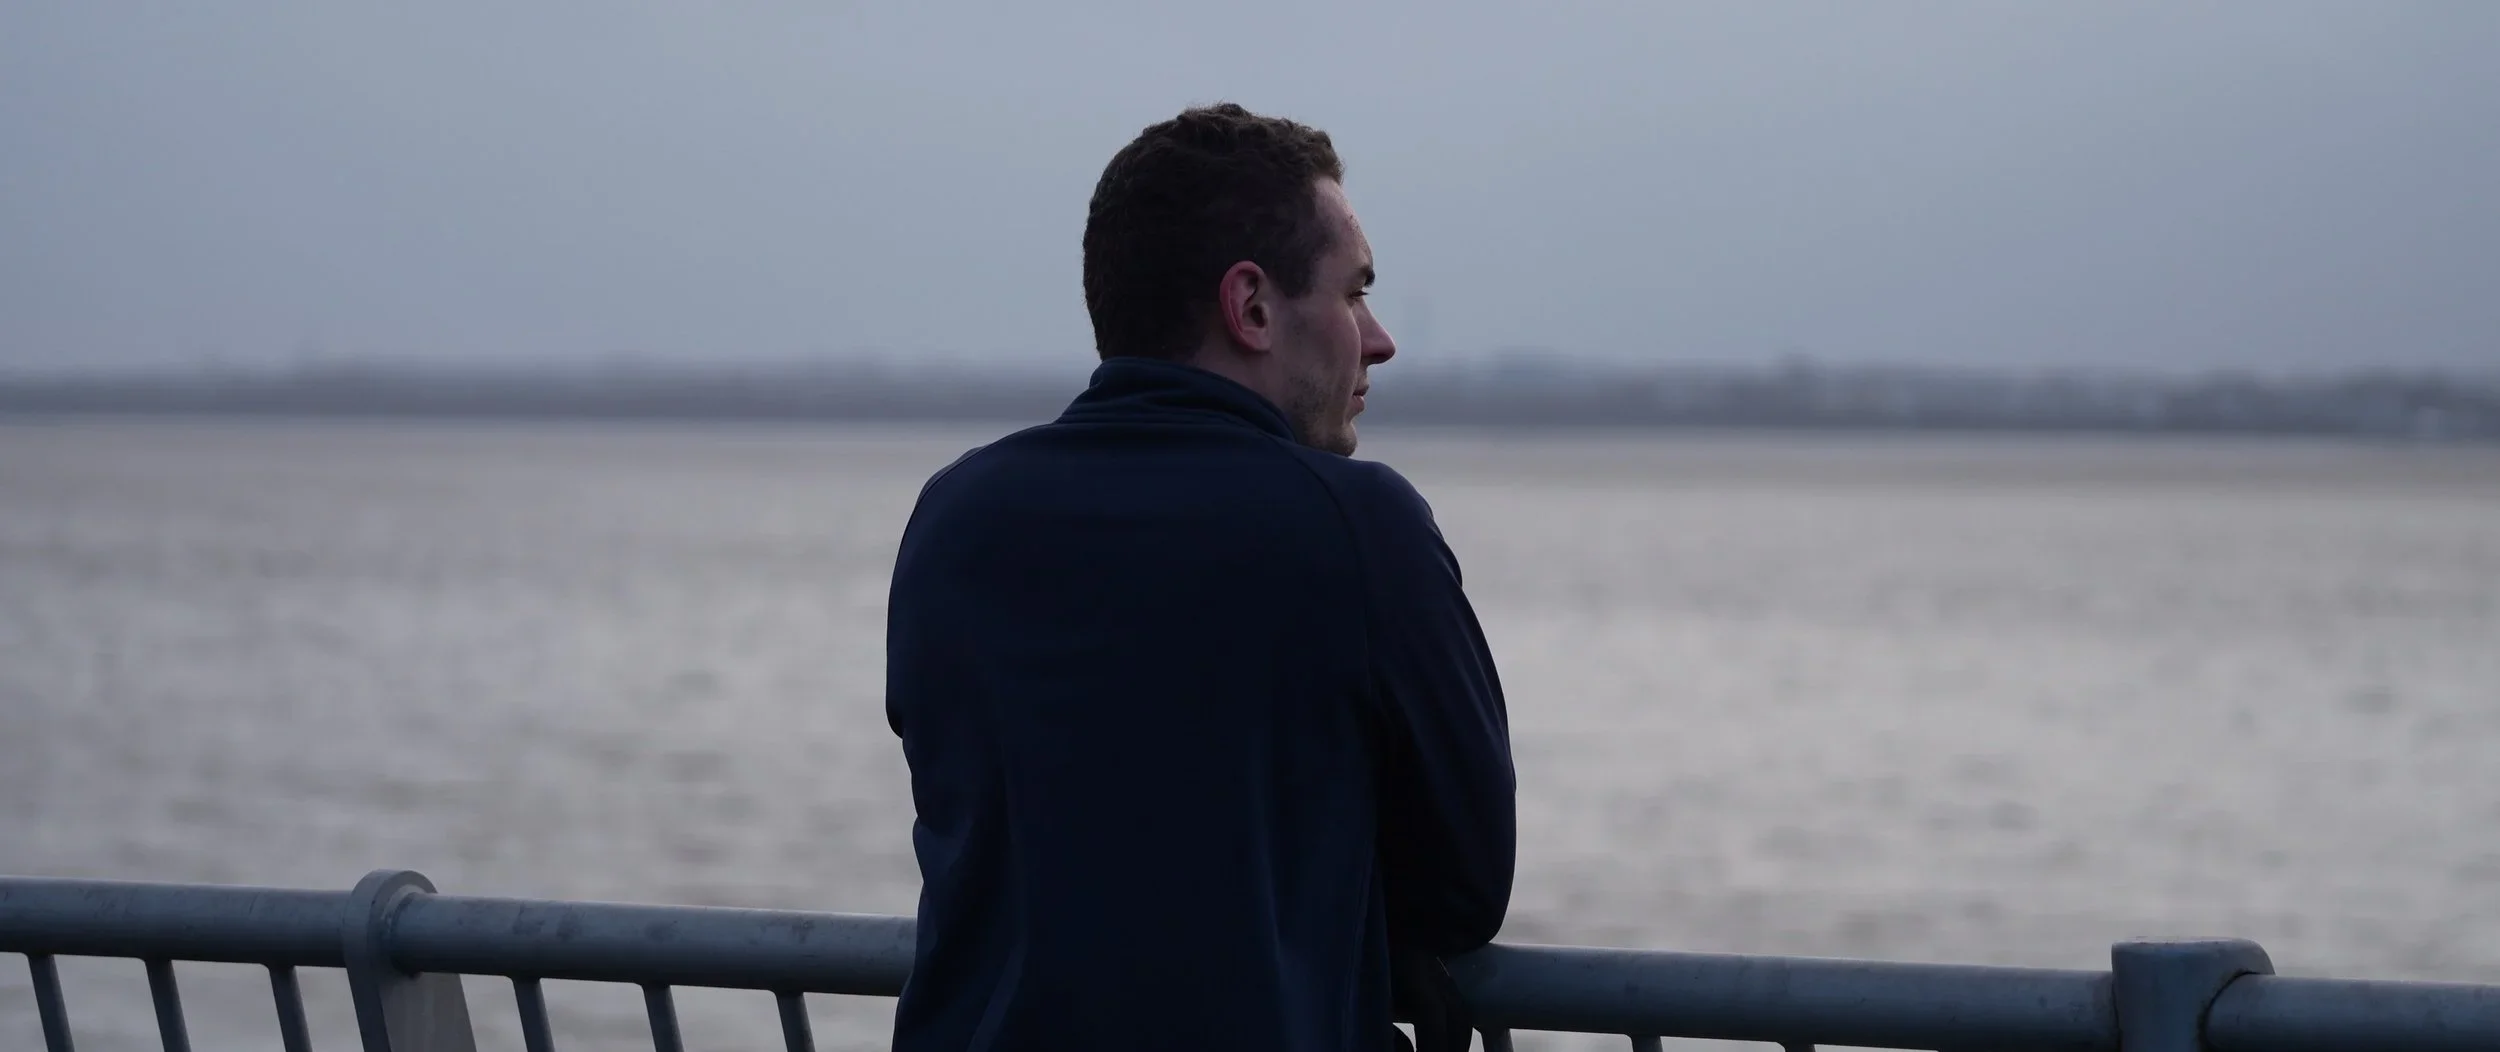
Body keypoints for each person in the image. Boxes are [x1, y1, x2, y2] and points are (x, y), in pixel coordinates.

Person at [885, 102, 1516, 1052]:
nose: (1377, 339)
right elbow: (1465, 888)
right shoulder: (1357, 526)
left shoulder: (955, 517)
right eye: (1352, 295)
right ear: (1252, 306)